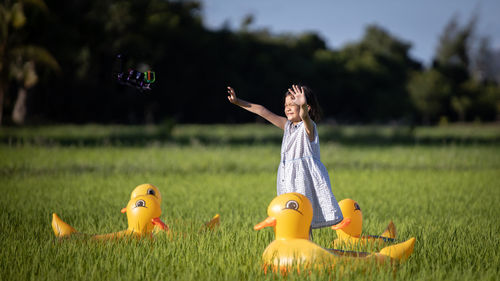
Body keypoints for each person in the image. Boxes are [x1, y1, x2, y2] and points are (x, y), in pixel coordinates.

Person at [227, 85, 348, 230]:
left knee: (302, 216)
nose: (288, 108)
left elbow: (305, 117)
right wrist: (237, 101)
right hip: (288, 178)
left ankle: (306, 246)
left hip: (304, 180)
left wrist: (302, 106)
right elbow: (263, 111)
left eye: (293, 105)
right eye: (286, 105)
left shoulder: (309, 127)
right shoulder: (287, 126)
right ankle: (295, 247)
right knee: (291, 216)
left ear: (307, 107)